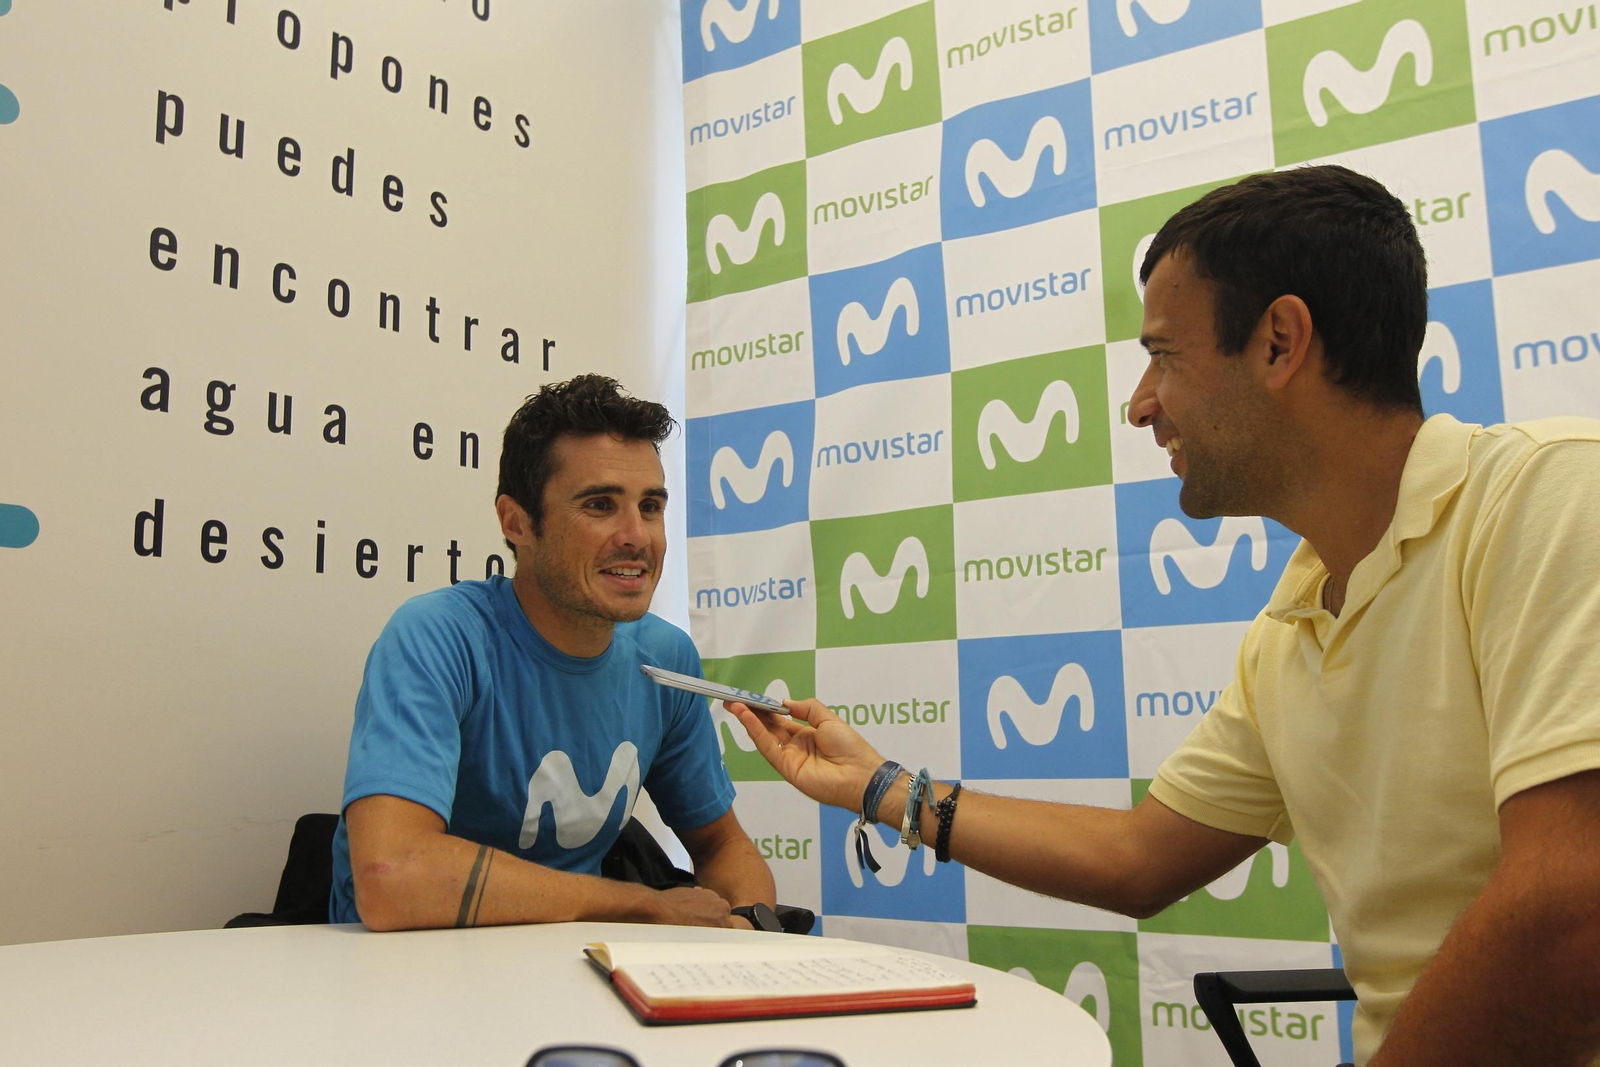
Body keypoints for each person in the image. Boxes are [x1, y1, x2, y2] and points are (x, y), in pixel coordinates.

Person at [730, 166, 1600, 1067]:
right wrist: (881, 789)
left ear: (1278, 343)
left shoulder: (1549, 497)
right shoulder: (1293, 625)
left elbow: (1575, 907)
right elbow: (1140, 859)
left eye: (1164, 357)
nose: (1141, 404)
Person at [333, 374, 775, 931]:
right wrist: (642, 903)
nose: (637, 536)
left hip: (578, 977)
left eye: (651, 506)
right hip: (410, 981)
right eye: (599, 505)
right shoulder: (437, 636)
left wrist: (749, 926)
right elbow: (393, 878)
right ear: (517, 523)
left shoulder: (667, 657)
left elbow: (722, 846)